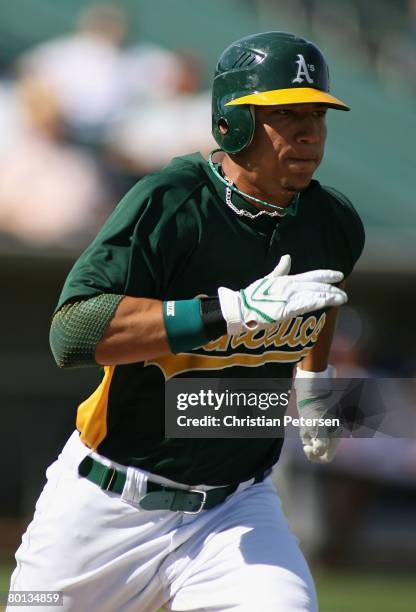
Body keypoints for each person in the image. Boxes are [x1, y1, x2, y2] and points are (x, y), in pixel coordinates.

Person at [8, 32, 364, 611]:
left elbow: (317, 300)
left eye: (318, 114)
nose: (309, 133)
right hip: (103, 507)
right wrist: (230, 313)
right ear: (234, 123)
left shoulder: (332, 223)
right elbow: (72, 332)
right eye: (286, 115)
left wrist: (314, 384)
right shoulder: (170, 202)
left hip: (234, 513)